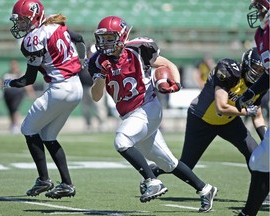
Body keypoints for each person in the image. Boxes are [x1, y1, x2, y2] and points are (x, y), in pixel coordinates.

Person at [88, 15, 217, 212]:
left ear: (122, 37)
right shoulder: (98, 61)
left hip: (147, 106)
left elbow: (168, 65)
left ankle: (151, 180)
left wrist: (176, 83)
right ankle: (205, 189)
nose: (104, 43)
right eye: (102, 38)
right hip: (130, 115)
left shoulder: (138, 51)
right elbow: (96, 97)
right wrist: (101, 76)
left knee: (121, 140)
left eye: (109, 38)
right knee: (168, 162)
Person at [145, 47, 267, 207]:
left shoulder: (262, 82)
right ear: (246, 63)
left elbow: (257, 116)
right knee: (187, 164)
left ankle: (264, 192)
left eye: (261, 70)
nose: (258, 73)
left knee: (255, 152)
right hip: (202, 119)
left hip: (229, 122)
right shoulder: (229, 70)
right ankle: (154, 171)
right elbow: (221, 107)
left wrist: (266, 142)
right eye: (255, 68)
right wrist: (246, 111)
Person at [3, 0, 84, 199]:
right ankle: (66, 184)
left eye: (23, 20)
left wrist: (9, 84)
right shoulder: (55, 26)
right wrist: (82, 60)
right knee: (48, 135)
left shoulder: (34, 38)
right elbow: (80, 38)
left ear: (34, 17)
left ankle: (44, 179)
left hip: (59, 89)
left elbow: (29, 79)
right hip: (76, 87)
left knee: (28, 129)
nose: (20, 25)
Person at [235, 0, 270, 215]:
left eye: (261, 8)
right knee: (259, 160)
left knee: (260, 160)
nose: (257, 13)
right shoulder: (261, 35)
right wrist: (251, 92)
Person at [0, 59, 36, 134]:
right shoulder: (7, 74)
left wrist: (31, 93)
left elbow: (26, 84)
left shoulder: (20, 74)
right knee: (11, 110)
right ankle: (12, 125)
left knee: (15, 109)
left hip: (17, 94)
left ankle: (16, 125)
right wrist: (1, 84)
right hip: (8, 94)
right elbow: (1, 83)